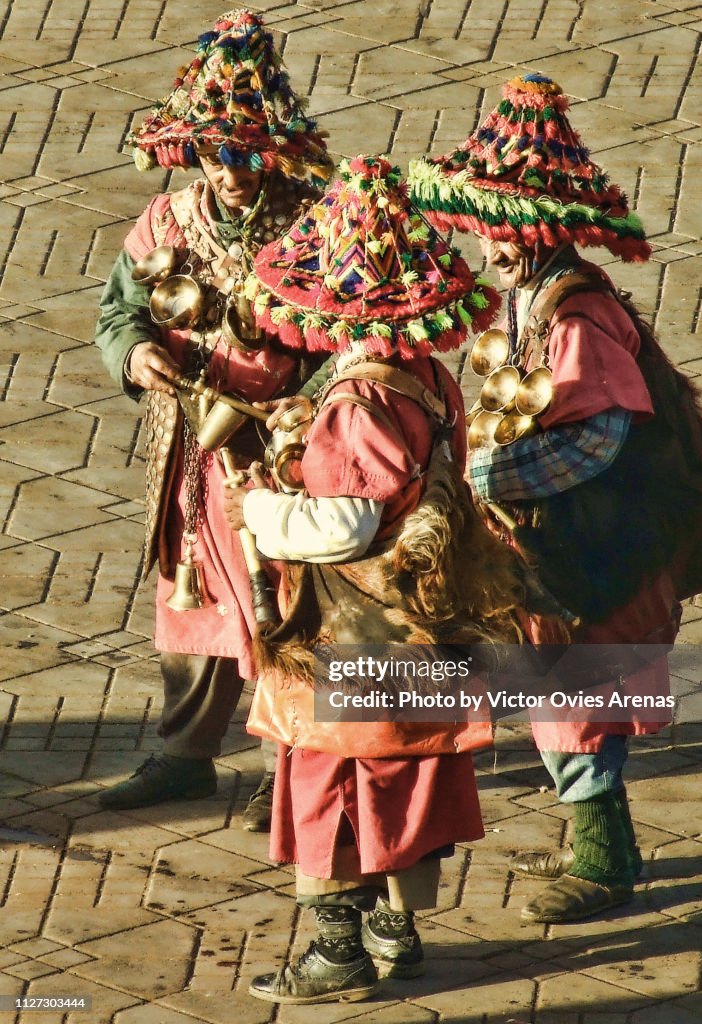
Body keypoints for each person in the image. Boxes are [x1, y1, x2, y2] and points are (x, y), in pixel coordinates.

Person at [409, 74, 702, 923]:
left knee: (574, 702)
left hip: (596, 552)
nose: (491, 246)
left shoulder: (576, 319)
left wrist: (483, 477)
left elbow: (601, 436)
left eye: (505, 232)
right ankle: (604, 845)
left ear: (542, 234)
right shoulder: (530, 298)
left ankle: (603, 861)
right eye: (485, 229)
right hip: (572, 549)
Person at [224, 155, 522, 1003]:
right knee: (401, 783)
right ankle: (398, 932)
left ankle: (337, 954)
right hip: (424, 628)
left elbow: (349, 523)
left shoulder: (358, 402)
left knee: (335, 784)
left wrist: (263, 514)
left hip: (357, 636)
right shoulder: (427, 379)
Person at [93, 8, 333, 825]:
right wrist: (135, 356)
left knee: (289, 598)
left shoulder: (316, 221)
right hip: (191, 446)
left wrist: (319, 394)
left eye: (247, 153)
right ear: (192, 150)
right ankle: (185, 753)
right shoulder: (165, 224)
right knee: (192, 594)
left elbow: (354, 328)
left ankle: (291, 757)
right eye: (217, 153)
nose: (233, 171)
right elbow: (119, 314)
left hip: (285, 447)